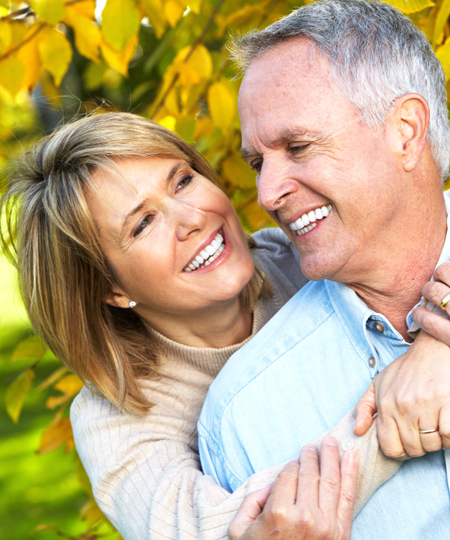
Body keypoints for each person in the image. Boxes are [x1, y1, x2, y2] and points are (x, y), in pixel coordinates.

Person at [1, 109, 449, 540]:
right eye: (143, 224)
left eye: (182, 181)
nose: (192, 219)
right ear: (110, 290)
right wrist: (401, 410)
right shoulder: (117, 418)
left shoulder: (300, 257)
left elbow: (423, 227)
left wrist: (437, 341)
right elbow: (256, 528)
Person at [198, 0, 450, 538]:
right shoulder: (245, 416)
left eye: (299, 146)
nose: (266, 194)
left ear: (405, 131)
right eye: (259, 163)